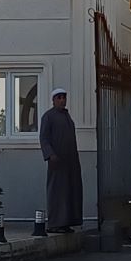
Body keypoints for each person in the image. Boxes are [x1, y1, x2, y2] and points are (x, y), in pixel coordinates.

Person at [38, 87, 83, 235]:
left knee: (70, 191)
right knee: (57, 191)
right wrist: (50, 154)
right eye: (59, 98)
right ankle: (55, 223)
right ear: (53, 100)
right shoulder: (48, 117)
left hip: (70, 161)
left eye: (64, 97)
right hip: (57, 161)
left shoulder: (67, 116)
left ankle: (66, 222)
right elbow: (44, 138)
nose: (62, 100)